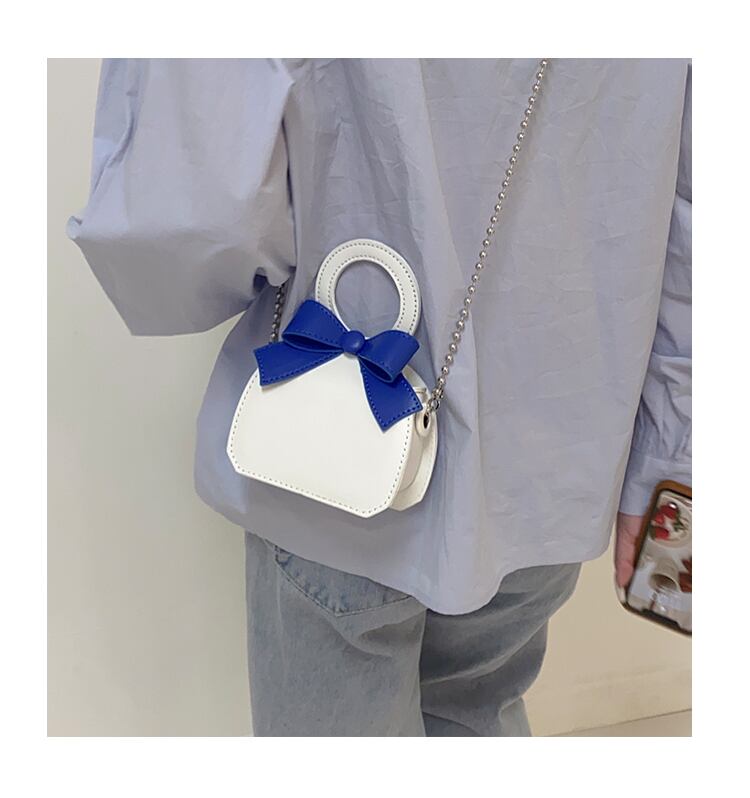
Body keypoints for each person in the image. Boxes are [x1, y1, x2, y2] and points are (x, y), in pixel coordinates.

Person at [67, 58, 692, 736]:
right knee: (480, 711)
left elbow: (185, 212)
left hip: (334, 467)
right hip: (556, 447)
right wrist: (672, 449)